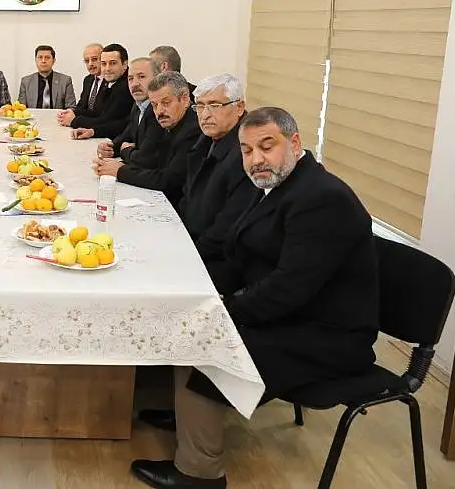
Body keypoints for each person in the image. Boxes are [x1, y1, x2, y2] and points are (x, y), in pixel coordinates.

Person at [131, 107, 379, 489]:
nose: (256, 159)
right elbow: (240, 254)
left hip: (327, 334)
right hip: (293, 311)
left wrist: (225, 310)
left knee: (204, 337)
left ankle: (199, 473)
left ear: (294, 143)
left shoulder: (323, 199)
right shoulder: (274, 185)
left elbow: (289, 288)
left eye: (267, 146)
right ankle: (190, 416)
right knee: (188, 312)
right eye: (247, 150)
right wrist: (196, 285)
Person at [93, 72, 201, 209]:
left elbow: (169, 181)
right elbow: (149, 161)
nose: (159, 111)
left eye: (166, 103)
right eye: (154, 105)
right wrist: (114, 164)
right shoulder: (168, 121)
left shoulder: (193, 130)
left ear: (185, 99)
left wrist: (120, 171)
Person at [179, 74, 255, 265]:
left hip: (218, 261)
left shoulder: (246, 152)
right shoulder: (206, 140)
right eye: (200, 106)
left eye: (214, 105)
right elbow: (187, 198)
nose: (205, 115)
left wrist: (187, 257)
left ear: (239, 107)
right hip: (190, 243)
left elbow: (226, 228)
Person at [63, 43, 134, 140]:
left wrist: (74, 120)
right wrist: (74, 112)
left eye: (113, 63)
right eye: (104, 64)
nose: (107, 69)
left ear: (124, 64)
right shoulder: (112, 82)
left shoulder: (126, 86)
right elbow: (97, 112)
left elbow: (108, 121)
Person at [97, 56, 162, 162]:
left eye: (141, 77)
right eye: (130, 79)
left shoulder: (159, 110)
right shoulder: (138, 105)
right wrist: (109, 148)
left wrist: (125, 150)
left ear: (157, 79)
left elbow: (145, 158)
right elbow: (127, 135)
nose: (134, 84)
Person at [16, 44, 77, 109]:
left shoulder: (65, 81)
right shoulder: (26, 81)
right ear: (35, 60)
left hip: (57, 115)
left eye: (47, 57)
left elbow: (71, 107)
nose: (43, 61)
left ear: (53, 61)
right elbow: (21, 108)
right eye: (40, 57)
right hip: (33, 115)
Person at [74, 42, 104, 114]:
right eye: (87, 61)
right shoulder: (88, 79)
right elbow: (81, 105)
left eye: (94, 59)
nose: (90, 64)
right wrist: (72, 112)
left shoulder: (110, 80)